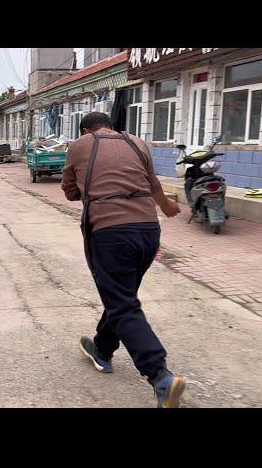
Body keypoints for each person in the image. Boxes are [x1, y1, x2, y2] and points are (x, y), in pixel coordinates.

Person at [61, 112, 185, 408]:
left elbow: (69, 192)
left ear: (86, 130)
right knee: (122, 296)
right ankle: (102, 348)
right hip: (148, 231)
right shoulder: (137, 143)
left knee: (122, 301)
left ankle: (160, 376)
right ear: (110, 127)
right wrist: (167, 207)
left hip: (110, 232)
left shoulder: (79, 144)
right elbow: (154, 185)